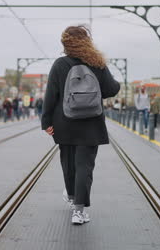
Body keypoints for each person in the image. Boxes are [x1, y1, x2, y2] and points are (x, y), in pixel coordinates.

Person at [41, 25, 120, 225]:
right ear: (87, 42)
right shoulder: (97, 63)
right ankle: (79, 211)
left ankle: (71, 195)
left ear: (66, 43)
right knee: (84, 165)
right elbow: (111, 89)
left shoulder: (59, 64)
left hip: (64, 121)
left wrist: (46, 121)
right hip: (91, 123)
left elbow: (51, 95)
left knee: (68, 163)